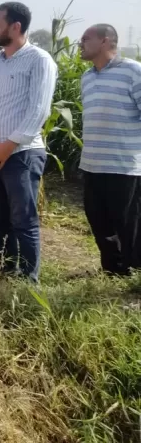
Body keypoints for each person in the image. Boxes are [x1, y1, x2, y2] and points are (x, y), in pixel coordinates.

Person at [0, 2, 57, 283]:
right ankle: (8, 269)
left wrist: (10, 144)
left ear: (15, 27)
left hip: (21, 154)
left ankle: (29, 280)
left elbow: (39, 108)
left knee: (23, 220)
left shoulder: (39, 60)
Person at [79, 23, 141, 276]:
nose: (80, 43)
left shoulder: (133, 72)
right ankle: (114, 270)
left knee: (128, 224)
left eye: (86, 38)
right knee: (99, 221)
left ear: (105, 41)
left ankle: (135, 274)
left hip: (123, 166)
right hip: (92, 164)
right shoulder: (87, 77)